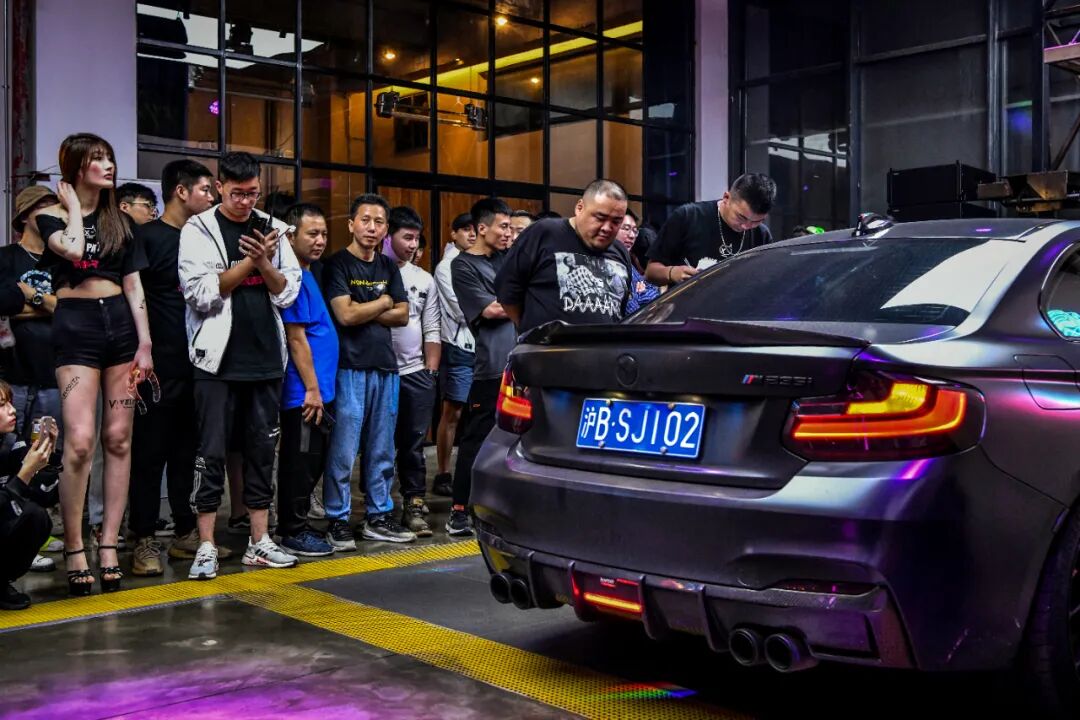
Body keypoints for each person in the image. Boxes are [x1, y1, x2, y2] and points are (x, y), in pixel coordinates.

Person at [36, 133, 154, 595]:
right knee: (81, 442)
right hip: (76, 326)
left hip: (120, 326)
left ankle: (108, 545)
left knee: (119, 438)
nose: (108, 166)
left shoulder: (120, 223)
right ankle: (74, 546)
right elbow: (72, 250)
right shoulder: (50, 215)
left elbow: (134, 285)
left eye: (109, 158)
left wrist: (145, 343)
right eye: (97, 159)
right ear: (76, 166)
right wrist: (72, 207)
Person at [178, 151, 302, 580]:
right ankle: (206, 544)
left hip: (265, 357)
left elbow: (287, 292)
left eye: (253, 193)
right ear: (219, 187)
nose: (247, 202)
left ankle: (259, 541)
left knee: (262, 452)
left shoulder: (271, 228)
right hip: (216, 361)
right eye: (238, 193)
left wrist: (265, 261)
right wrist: (250, 261)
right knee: (210, 452)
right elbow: (200, 294)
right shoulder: (198, 229)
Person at [128, 159, 219, 576]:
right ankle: (143, 537)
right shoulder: (147, 237)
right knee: (150, 454)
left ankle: (185, 531)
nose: (212, 197)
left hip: (199, 364)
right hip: (156, 365)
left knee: (188, 453)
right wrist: (141, 352)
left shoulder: (206, 239)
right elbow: (134, 298)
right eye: (205, 189)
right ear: (181, 191)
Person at [322, 193, 414, 549]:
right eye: (365, 220)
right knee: (344, 449)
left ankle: (378, 516)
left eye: (378, 222)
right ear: (351, 224)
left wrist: (366, 307)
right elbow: (345, 316)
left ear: (385, 229)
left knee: (382, 448)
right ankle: (337, 518)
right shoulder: (337, 264)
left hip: (386, 368)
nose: (371, 227)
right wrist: (383, 301)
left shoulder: (389, 267)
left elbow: (403, 315)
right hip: (349, 367)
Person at [0, 186, 62, 573]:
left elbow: (69, 308)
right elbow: (2, 302)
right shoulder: (6, 258)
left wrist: (32, 298)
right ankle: (9, 525)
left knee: (46, 455)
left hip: (54, 373)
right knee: (9, 451)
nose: (54, 214)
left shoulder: (62, 260)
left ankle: (35, 528)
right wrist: (47, 306)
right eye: (45, 208)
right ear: (26, 216)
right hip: (13, 373)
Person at [448, 198, 516, 536]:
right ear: (482, 228)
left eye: (510, 227)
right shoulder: (462, 266)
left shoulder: (507, 259)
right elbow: (491, 310)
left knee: (516, 441)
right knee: (476, 439)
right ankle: (459, 510)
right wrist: (518, 301)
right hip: (491, 366)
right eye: (503, 226)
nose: (508, 233)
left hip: (520, 362)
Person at [276, 203, 337, 557]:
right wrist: (312, 389)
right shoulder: (294, 278)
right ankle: (292, 531)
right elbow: (296, 338)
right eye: (312, 234)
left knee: (312, 461)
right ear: (290, 236)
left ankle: (298, 524)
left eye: (324, 234)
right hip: (304, 393)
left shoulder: (309, 274)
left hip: (318, 390)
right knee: (299, 463)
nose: (320, 240)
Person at [496, 179, 631, 335]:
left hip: (602, 348)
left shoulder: (620, 251)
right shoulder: (544, 233)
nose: (607, 228)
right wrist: (534, 332)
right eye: (600, 218)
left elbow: (620, 306)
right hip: (547, 348)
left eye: (616, 221)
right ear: (579, 208)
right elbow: (508, 294)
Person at [385, 206, 441, 537]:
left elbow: (431, 326)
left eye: (416, 239)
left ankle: (414, 505)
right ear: (388, 236)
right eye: (406, 237)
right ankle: (378, 510)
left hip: (416, 373)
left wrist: (430, 372)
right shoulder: (374, 272)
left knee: (413, 445)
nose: (412, 245)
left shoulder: (424, 279)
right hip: (379, 373)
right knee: (379, 446)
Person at [645, 173, 776, 286]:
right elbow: (650, 272)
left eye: (756, 221)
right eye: (741, 217)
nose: (746, 226)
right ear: (726, 198)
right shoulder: (688, 216)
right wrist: (672, 273)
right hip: (688, 305)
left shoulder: (761, 234)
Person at [0, 381, 60, 610]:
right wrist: (24, 474)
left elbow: (46, 497)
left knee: (36, 517)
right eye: (2, 405)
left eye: (10, 403)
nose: (12, 410)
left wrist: (47, 458)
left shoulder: (10, 444)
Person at [432, 213, 475, 497]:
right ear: (453, 234)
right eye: (465, 230)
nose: (471, 235)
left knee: (480, 414)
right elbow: (462, 310)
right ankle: (443, 472)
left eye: (475, 230)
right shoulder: (446, 266)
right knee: (453, 412)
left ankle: (469, 472)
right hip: (458, 346)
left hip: (483, 346)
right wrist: (486, 304)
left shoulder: (481, 261)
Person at [617, 209, 660, 315]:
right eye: (626, 229)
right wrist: (643, 296)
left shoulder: (628, 265)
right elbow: (635, 314)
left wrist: (639, 295)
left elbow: (656, 296)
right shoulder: (612, 266)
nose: (632, 236)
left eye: (635, 231)